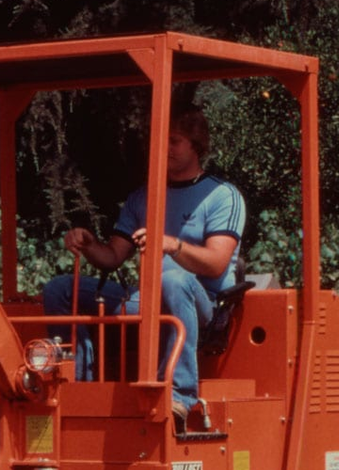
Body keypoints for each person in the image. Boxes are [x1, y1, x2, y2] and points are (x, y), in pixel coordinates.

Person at [40, 106, 246, 422]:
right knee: (60, 289)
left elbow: (217, 263)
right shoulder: (142, 197)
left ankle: (179, 394)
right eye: (161, 141)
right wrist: (89, 243)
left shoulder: (222, 196)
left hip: (203, 304)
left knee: (174, 278)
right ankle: (74, 383)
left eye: (174, 141)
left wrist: (172, 245)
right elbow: (113, 256)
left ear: (196, 145)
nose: (165, 148)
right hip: (147, 298)